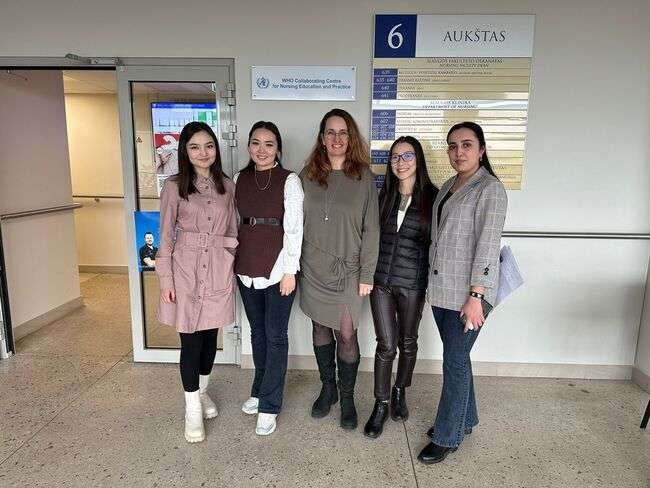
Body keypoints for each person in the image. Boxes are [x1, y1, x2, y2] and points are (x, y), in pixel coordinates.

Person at [417, 122, 507, 464]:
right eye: (453, 146)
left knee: (453, 361)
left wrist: (476, 296)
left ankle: (447, 435)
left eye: (467, 144)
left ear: (481, 149)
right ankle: (465, 419)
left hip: (470, 295)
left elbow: (488, 245)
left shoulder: (490, 189)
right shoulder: (448, 187)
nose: (459, 152)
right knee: (458, 358)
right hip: (443, 289)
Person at [155, 121, 238, 444]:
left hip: (217, 267)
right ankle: (191, 409)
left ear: (216, 149)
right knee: (190, 340)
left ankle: (202, 392)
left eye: (208, 146)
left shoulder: (227, 186)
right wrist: (166, 278)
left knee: (209, 337)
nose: (203, 153)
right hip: (185, 270)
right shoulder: (174, 186)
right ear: (185, 152)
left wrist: (228, 260)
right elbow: (165, 235)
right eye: (195, 147)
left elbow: (232, 230)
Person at [299, 108, 380, 430]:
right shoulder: (306, 175)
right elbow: (294, 223)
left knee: (346, 334)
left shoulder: (364, 178)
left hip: (348, 271)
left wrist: (367, 274)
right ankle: (328, 388)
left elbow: (372, 229)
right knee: (320, 328)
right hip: (313, 268)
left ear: (351, 138)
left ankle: (347, 398)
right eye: (330, 132)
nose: (337, 138)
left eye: (343, 132)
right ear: (322, 138)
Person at [364, 136, 437, 438]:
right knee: (386, 345)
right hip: (381, 282)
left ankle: (399, 391)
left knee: (408, 342)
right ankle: (380, 403)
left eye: (407, 156)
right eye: (395, 157)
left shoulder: (434, 198)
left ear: (418, 160)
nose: (400, 162)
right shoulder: (383, 196)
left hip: (412, 283)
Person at [234, 121, 304, 436]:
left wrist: (290, 270)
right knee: (257, 334)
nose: (261, 150)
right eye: (256, 143)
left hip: (279, 269)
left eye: (269, 144)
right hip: (245, 266)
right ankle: (259, 390)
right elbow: (234, 222)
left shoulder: (289, 180)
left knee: (275, 336)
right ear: (249, 146)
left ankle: (270, 405)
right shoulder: (239, 179)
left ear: (278, 149)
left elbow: (294, 228)